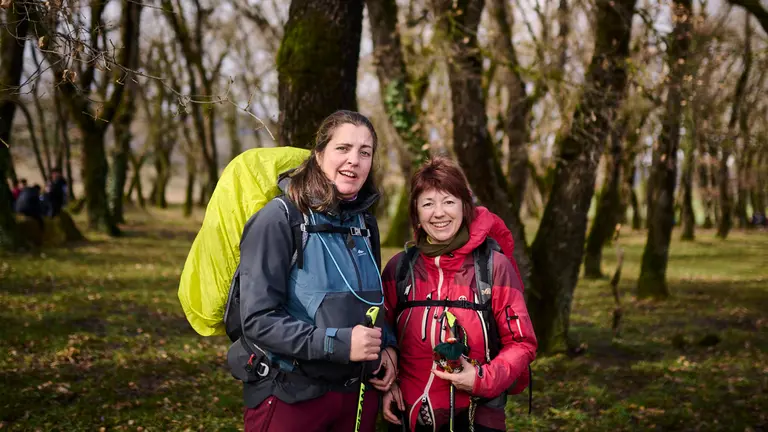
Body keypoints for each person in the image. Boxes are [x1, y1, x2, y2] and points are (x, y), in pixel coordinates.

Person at [231, 110, 398, 432]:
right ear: (319, 154)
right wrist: (340, 343)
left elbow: (367, 299)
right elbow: (256, 320)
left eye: (365, 152)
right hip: (290, 393)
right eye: (343, 148)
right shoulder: (279, 220)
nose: (354, 160)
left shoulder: (365, 224)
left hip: (356, 394)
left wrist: (387, 344)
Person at [380, 157, 537, 432]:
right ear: (416, 213)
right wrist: (387, 384)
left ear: (465, 207)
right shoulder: (399, 269)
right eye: (428, 203)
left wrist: (480, 380)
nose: (439, 213)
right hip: (407, 418)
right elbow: (382, 335)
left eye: (449, 201)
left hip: (477, 419)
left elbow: (523, 343)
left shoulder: (493, 268)